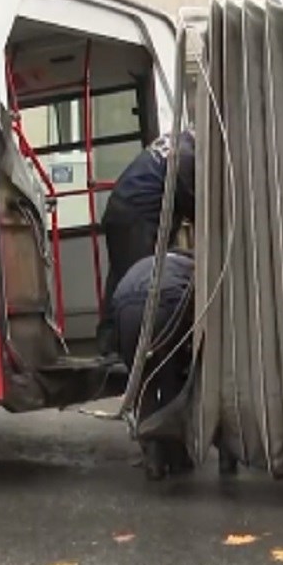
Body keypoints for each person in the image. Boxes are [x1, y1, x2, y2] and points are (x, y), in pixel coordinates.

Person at [97, 130, 197, 355]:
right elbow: (194, 202)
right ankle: (122, 347)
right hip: (138, 216)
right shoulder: (187, 155)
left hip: (122, 210)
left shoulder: (176, 141)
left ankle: (109, 342)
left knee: (120, 276)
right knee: (137, 281)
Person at [108, 247, 197, 480]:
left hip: (126, 311)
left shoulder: (144, 262)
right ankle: (177, 457)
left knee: (143, 385)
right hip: (164, 305)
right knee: (171, 382)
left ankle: (153, 459)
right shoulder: (191, 267)